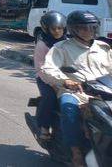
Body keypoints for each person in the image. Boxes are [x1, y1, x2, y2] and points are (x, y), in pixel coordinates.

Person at [40, 10, 112, 167]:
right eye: (84, 28)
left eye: (92, 28)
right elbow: (48, 68)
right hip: (75, 92)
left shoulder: (104, 48)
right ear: (74, 30)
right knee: (68, 108)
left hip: (104, 92)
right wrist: (65, 80)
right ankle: (76, 153)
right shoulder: (61, 48)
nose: (89, 31)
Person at [33, 11, 67, 141]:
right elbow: (40, 68)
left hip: (65, 78)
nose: (57, 31)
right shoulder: (43, 45)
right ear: (47, 29)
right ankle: (44, 127)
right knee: (50, 97)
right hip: (45, 79)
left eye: (60, 28)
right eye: (54, 29)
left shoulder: (67, 43)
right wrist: (53, 84)